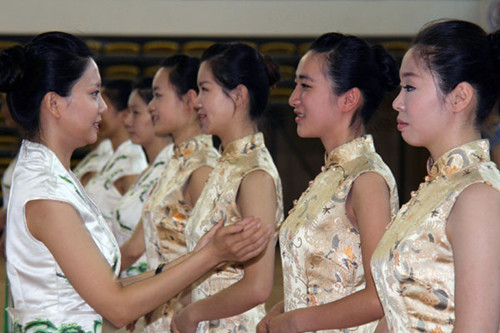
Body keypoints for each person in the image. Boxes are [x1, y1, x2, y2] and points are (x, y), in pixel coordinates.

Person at [0, 31, 272, 332]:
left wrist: (199, 257)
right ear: (54, 104)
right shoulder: (47, 195)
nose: (103, 107)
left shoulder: (50, 178)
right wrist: (211, 255)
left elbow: (110, 286)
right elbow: (118, 307)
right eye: (93, 94)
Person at [257, 33, 400, 333]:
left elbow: (380, 297)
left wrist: (295, 320)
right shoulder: (333, 174)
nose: (294, 98)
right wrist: (283, 309)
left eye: (305, 86)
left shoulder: (367, 179)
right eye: (296, 85)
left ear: (349, 98)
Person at [370, 20, 500, 332]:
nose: (397, 102)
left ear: (459, 97)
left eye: (410, 87)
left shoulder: (478, 196)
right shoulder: (437, 187)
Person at [172, 43, 284, 333]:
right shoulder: (227, 164)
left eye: (205, 89)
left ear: (238, 95)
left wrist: (192, 313)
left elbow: (258, 286)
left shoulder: (255, 173)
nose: (197, 102)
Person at [120, 55, 219, 331]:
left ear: (189, 100)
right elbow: (136, 247)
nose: (151, 106)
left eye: (157, 96)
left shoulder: (203, 169)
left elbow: (218, 263)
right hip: (157, 312)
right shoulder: (174, 165)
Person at [110, 77, 174, 278]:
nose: (127, 121)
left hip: (148, 288)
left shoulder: (171, 168)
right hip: (129, 286)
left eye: (135, 113)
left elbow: (135, 249)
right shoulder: (149, 170)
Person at [84, 79, 148, 224]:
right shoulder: (114, 157)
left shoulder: (132, 163)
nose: (97, 112)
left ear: (124, 115)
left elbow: (133, 225)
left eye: (104, 105)